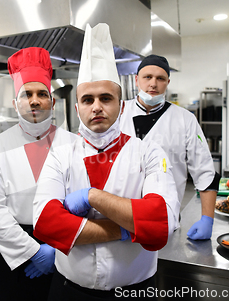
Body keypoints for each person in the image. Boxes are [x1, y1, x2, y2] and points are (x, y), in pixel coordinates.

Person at [32, 23, 180, 301]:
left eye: (106, 98)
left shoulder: (148, 153)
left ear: (121, 106)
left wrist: (92, 197)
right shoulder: (60, 154)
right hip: (69, 292)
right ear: (77, 108)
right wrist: (127, 229)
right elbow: (45, 223)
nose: (96, 106)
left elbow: (160, 226)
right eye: (87, 99)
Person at [0, 47, 77, 300]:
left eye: (41, 94)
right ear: (15, 103)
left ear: (52, 101)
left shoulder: (73, 144)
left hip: (64, 252)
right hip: (15, 253)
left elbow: (83, 203)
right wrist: (33, 252)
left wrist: (56, 250)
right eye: (27, 94)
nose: (34, 100)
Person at [120, 54, 220, 240]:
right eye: (147, 77)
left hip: (165, 221)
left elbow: (205, 171)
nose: (153, 84)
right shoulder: (118, 112)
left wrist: (207, 218)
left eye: (160, 78)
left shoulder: (185, 119)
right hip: (118, 219)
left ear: (168, 82)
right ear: (136, 80)